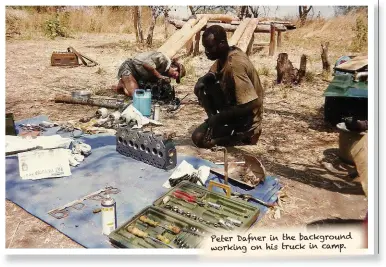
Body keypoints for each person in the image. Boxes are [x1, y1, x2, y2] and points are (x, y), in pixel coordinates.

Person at [191, 25, 264, 149]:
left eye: (210, 47)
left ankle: (244, 136)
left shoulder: (235, 64)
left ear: (222, 43)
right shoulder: (225, 55)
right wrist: (201, 82)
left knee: (199, 138)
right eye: (205, 48)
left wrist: (220, 117)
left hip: (248, 120)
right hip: (234, 110)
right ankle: (218, 125)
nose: (206, 52)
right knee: (203, 86)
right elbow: (212, 73)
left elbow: (252, 103)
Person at [112, 51, 185, 97]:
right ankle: (123, 84)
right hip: (129, 68)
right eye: (176, 75)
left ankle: (123, 86)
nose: (174, 78)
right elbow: (146, 64)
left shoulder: (163, 72)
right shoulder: (163, 59)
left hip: (137, 77)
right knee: (136, 95)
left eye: (176, 79)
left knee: (140, 94)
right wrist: (159, 76)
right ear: (175, 67)